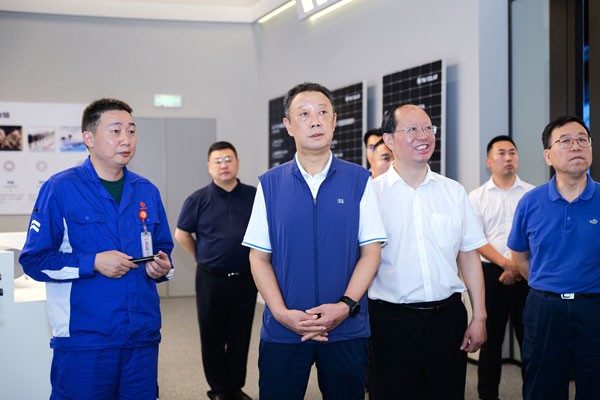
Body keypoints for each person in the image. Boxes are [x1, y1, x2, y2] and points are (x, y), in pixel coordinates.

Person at [19, 98, 174, 399]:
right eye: (115, 131)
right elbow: (35, 260)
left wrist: (162, 268)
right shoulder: (60, 189)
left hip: (141, 336)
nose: (126, 140)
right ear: (88, 138)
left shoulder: (147, 190)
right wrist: (92, 262)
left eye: (131, 131)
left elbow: (163, 248)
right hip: (85, 341)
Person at [242, 82, 386, 400]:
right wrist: (281, 313)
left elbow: (371, 252)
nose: (315, 121)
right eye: (304, 114)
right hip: (284, 328)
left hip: (345, 327)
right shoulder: (270, 184)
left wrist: (345, 306)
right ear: (288, 125)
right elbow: (258, 257)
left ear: (333, 121)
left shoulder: (359, 180)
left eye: (323, 113)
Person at [368, 104, 487, 399]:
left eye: (428, 128)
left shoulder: (453, 192)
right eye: (412, 129)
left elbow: (468, 255)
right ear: (389, 140)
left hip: (447, 320)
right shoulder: (370, 195)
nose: (424, 136)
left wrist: (479, 316)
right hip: (391, 323)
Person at [508, 115, 600, 399]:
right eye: (566, 141)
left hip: (594, 308)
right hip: (544, 309)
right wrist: (546, 284)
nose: (576, 146)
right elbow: (519, 256)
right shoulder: (531, 201)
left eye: (582, 140)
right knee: (542, 387)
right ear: (548, 155)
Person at [175, 141, 256, 400]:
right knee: (212, 335)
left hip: (246, 279)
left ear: (237, 163)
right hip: (211, 279)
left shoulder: (254, 196)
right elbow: (181, 234)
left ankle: (235, 387)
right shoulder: (198, 199)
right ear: (209, 167)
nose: (224, 165)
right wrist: (201, 256)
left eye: (228, 159)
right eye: (218, 161)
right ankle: (219, 390)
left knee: (240, 335)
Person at [468, 135, 534, 400]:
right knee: (490, 341)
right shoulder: (477, 197)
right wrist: (507, 264)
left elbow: (536, 236)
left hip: (527, 275)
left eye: (512, 153)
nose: (508, 158)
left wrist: (518, 267)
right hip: (491, 275)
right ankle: (487, 396)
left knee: (530, 340)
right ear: (489, 161)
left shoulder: (532, 194)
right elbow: (476, 240)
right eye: (501, 153)